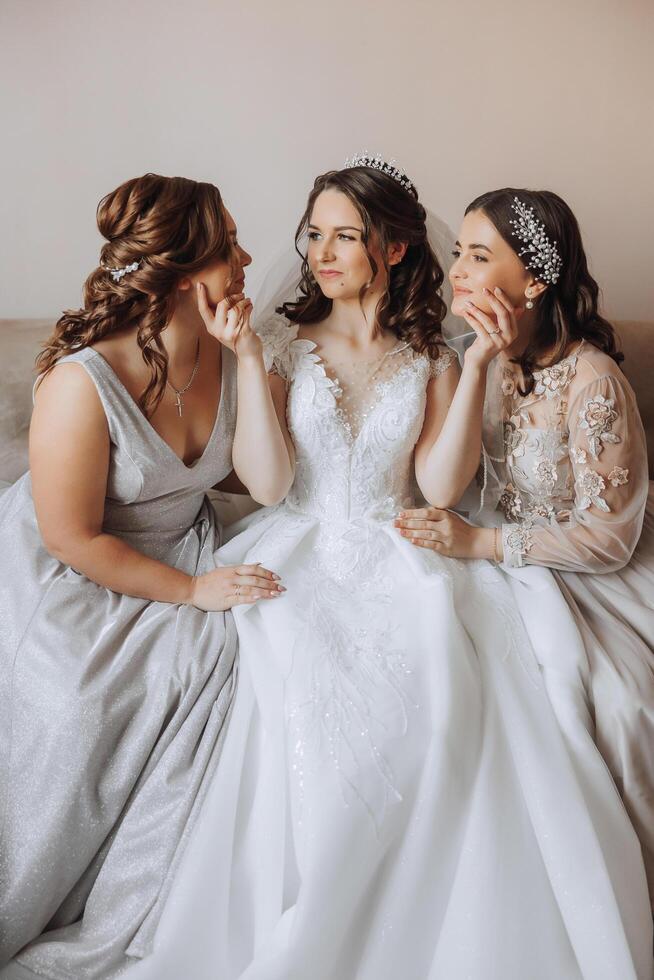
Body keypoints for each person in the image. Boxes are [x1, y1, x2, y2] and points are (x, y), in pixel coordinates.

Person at [126, 161, 653, 980]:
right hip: (298, 547)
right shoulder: (274, 341)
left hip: (405, 545)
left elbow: (442, 489)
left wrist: (472, 367)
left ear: (396, 248)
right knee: (303, 704)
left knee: (442, 707)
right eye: (314, 233)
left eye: (345, 235)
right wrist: (242, 362)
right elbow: (265, 486)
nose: (321, 252)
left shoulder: (430, 354)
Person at [0, 173, 289, 978]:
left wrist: (252, 359)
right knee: (80, 706)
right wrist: (192, 594)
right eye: (230, 244)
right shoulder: (82, 381)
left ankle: (160, 894)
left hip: (187, 543)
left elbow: (264, 483)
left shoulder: (230, 351)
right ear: (186, 267)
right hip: (77, 566)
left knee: (234, 669)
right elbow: (70, 536)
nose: (248, 258)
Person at [394, 186, 654, 912]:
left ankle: (625, 898)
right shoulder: (466, 356)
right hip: (497, 562)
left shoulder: (594, 377)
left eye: (481, 256)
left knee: (619, 706)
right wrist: (477, 365)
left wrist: (483, 543)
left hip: (595, 569)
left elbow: (610, 536)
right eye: (458, 254)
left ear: (534, 279)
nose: (461, 272)